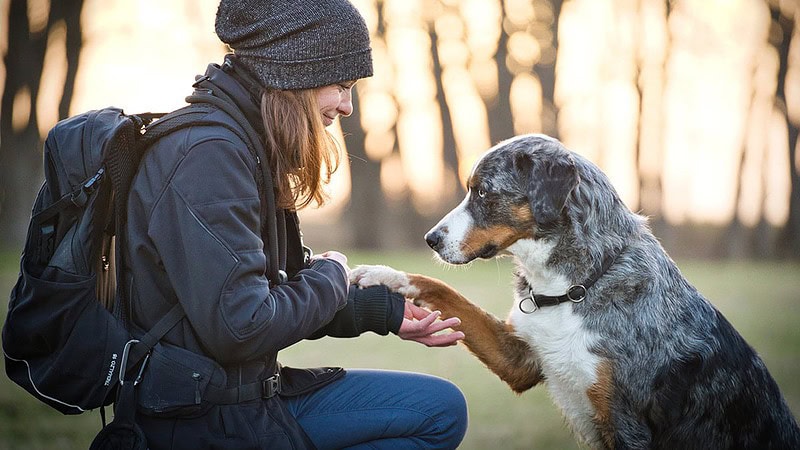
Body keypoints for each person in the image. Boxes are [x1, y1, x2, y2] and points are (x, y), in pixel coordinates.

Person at [122, 0, 468, 448]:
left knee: (441, 408)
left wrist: (387, 313)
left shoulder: (246, 144)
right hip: (203, 422)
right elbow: (243, 326)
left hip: (243, 401)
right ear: (295, 71)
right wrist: (331, 274)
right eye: (341, 86)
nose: (346, 106)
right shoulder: (207, 158)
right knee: (435, 415)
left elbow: (276, 288)